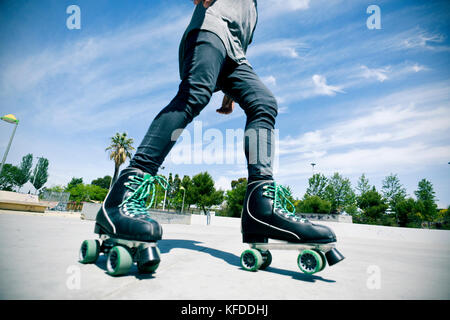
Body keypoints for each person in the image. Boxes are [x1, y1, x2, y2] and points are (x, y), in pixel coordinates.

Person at [94, 0, 338, 248]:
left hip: (235, 54)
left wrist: (230, 92)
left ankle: (261, 210)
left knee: (264, 102)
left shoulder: (253, 11)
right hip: (209, 30)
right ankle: (122, 197)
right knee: (194, 95)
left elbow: (239, 42)